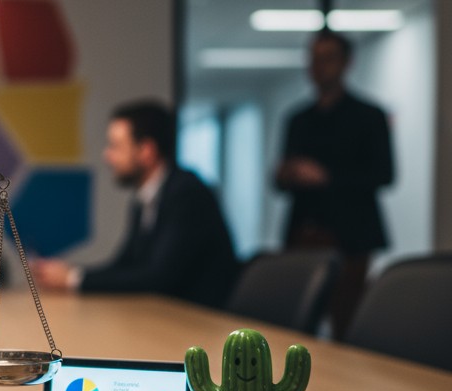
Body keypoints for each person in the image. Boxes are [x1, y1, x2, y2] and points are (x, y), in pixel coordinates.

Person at [32, 99, 238, 308]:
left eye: (115, 146)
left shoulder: (187, 194)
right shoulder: (144, 200)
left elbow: (158, 278)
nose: (107, 155)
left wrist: (74, 279)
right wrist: (72, 275)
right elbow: (124, 266)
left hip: (199, 322)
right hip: (162, 316)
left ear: (146, 151)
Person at [275, 29, 394, 339]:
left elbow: (385, 174)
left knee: (346, 323)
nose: (318, 66)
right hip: (303, 232)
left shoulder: (369, 116)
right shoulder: (297, 119)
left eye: (327, 59)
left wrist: (326, 177)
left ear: (346, 63)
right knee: (297, 323)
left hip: (350, 236)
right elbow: (280, 182)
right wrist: (287, 174)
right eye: (313, 59)